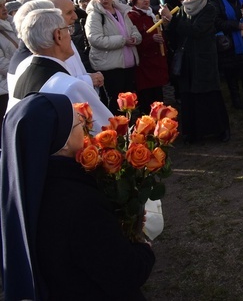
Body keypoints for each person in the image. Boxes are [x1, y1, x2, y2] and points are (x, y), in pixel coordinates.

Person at [1, 92, 155, 300]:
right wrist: (142, 249)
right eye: (78, 123)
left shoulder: (23, 191)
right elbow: (124, 273)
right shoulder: (79, 203)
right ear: (62, 142)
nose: (84, 128)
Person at [7, 7, 112, 129]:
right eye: (68, 30)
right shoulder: (70, 87)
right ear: (58, 36)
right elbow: (106, 130)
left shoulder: (23, 70)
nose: (70, 36)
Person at [165, 0, 230, 143]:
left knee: (209, 95)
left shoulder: (209, 9)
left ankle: (219, 130)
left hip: (204, 60)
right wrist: (168, 24)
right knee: (189, 97)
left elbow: (197, 31)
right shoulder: (182, 9)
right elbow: (176, 34)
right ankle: (193, 132)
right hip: (187, 60)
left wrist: (174, 21)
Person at [85, 0, 141, 113]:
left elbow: (132, 29)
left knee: (128, 100)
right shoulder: (95, 15)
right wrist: (122, 40)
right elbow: (95, 39)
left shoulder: (121, 11)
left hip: (127, 64)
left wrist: (135, 37)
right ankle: (114, 129)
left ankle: (128, 127)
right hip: (110, 66)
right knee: (115, 101)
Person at [128, 0, 169, 108]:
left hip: (156, 62)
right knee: (147, 98)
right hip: (144, 64)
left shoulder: (151, 14)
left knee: (158, 96)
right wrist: (150, 40)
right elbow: (135, 38)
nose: (146, 0)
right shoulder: (132, 16)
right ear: (135, 1)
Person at [0, 0, 18, 113]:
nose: (4, 8)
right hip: (4, 89)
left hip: (15, 83)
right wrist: (20, 71)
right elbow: (1, 63)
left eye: (3, 5)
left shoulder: (12, 23)